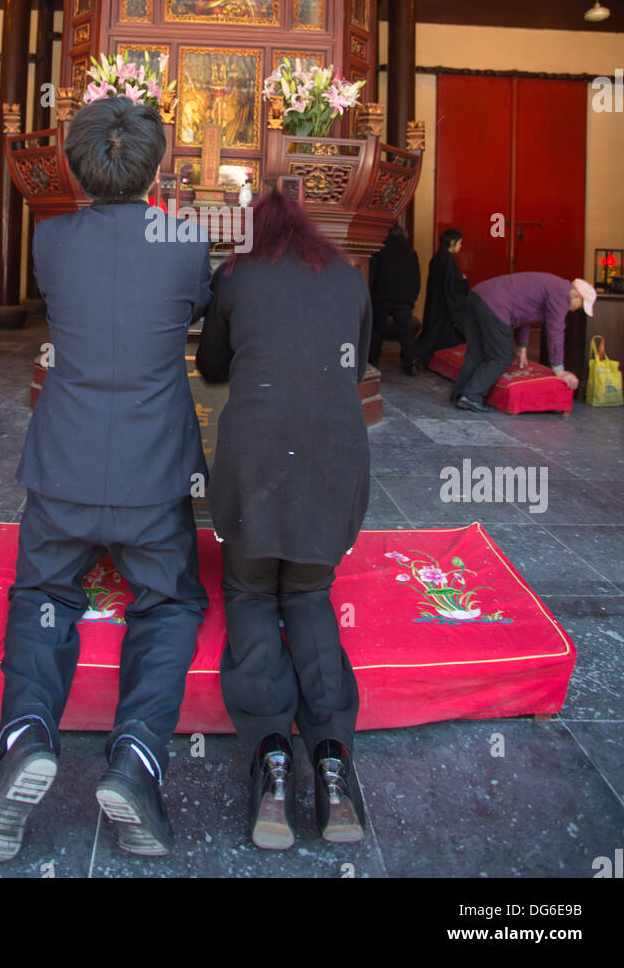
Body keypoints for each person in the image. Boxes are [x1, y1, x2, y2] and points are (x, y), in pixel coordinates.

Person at [0, 96, 211, 861]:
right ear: (158, 166)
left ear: (74, 163)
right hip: (153, 477)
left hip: (63, 470)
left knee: (42, 596)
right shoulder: (187, 243)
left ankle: (26, 741)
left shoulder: (50, 241)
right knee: (169, 603)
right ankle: (136, 761)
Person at [196, 188, 371, 850]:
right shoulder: (349, 278)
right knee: (307, 593)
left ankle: (272, 757)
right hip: (335, 456)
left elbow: (212, 368)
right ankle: (331, 763)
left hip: (255, 455)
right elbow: (355, 363)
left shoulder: (235, 274)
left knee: (246, 590)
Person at [452, 272, 596, 412]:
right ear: (576, 295)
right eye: (580, 306)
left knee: (477, 352)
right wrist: (559, 369)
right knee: (502, 357)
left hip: (477, 296)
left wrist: (522, 347)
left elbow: (525, 317)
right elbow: (555, 331)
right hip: (494, 303)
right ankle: (471, 396)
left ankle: (459, 395)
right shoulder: (561, 294)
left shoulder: (553, 286)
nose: (574, 310)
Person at [368, 221, 421, 375]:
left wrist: (371, 293)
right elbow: (416, 278)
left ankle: (373, 360)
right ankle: (411, 363)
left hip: (382, 296)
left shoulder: (381, 250)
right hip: (404, 298)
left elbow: (373, 274)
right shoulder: (411, 253)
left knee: (377, 329)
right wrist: (413, 297)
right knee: (405, 331)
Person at [415, 228, 469, 366]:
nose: (461, 245)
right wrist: (464, 281)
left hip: (435, 302)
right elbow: (452, 286)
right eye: (460, 242)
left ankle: (417, 358)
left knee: (432, 333)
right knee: (438, 335)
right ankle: (417, 358)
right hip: (444, 307)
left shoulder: (438, 257)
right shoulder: (448, 259)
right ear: (452, 242)